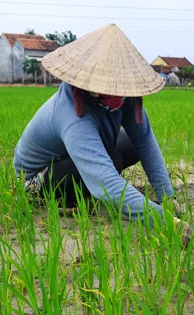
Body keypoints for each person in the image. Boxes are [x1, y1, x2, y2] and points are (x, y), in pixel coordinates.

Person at [14, 24, 177, 223]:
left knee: (131, 143)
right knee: (111, 160)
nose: (118, 95)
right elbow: (106, 180)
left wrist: (167, 197)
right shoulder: (72, 114)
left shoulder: (126, 98)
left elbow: (145, 142)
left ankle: (89, 189)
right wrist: (165, 220)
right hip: (37, 178)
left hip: (72, 154)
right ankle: (70, 201)